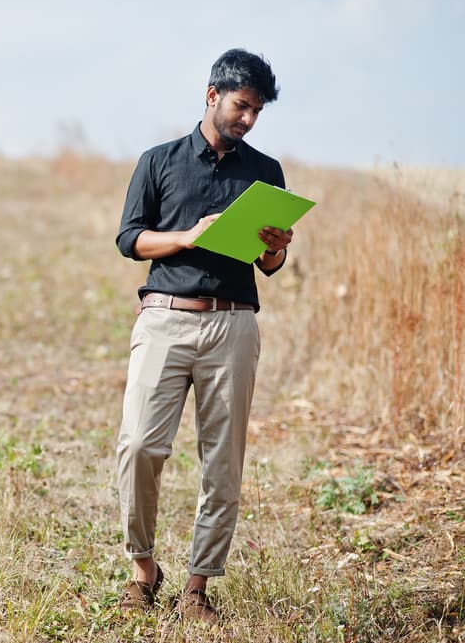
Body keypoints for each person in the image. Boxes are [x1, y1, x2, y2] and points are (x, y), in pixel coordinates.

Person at [114, 48, 293, 624]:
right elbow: (130, 240)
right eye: (242, 105)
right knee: (140, 445)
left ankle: (196, 587)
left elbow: (269, 263)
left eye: (257, 111)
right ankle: (143, 568)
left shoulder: (266, 172)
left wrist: (275, 246)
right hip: (164, 317)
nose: (248, 119)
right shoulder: (158, 160)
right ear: (212, 95)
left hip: (233, 324)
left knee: (223, 462)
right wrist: (189, 236)